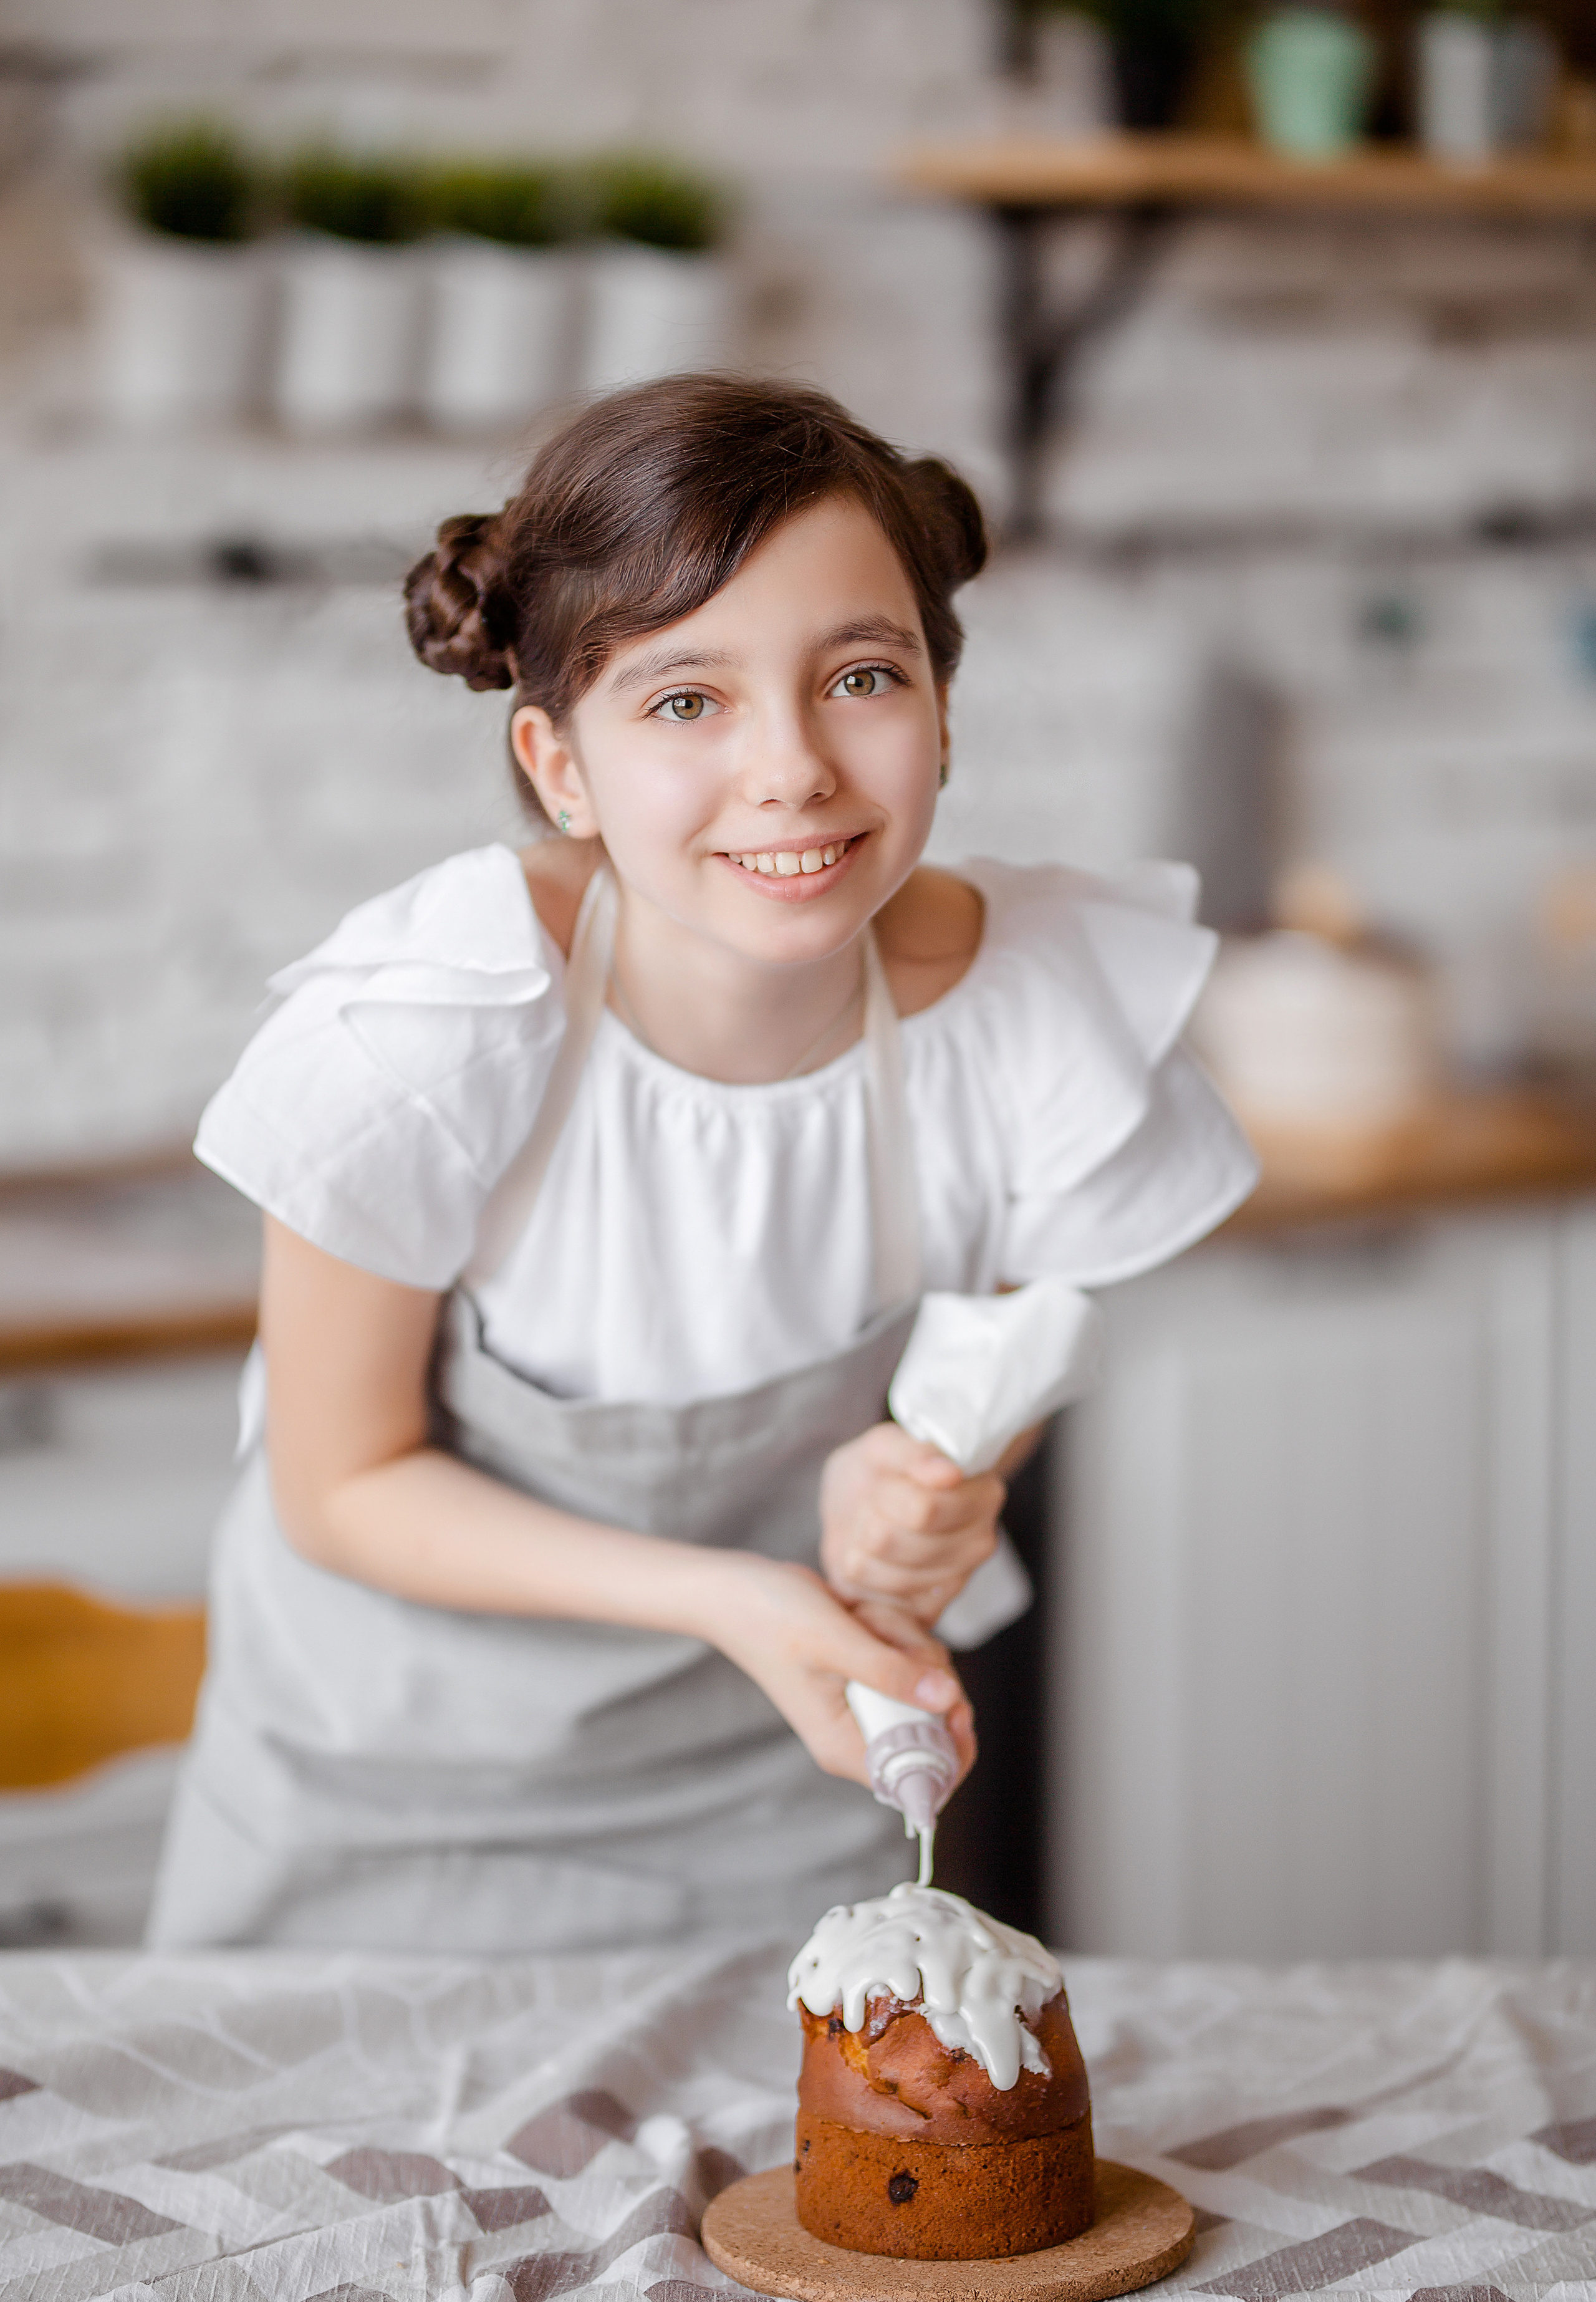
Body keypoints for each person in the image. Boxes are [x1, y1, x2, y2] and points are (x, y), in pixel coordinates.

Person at [147, 375, 1256, 1953]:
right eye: (685, 701)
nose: (792, 767)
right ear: (560, 766)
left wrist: (927, 1494)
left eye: (859, 676)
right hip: (377, 1818)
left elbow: (971, 1391)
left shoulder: (1027, 1012)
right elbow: (339, 1486)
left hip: (773, 1818)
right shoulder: (427, 1033)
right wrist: (734, 1593)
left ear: (941, 707)